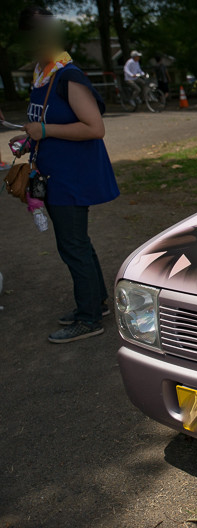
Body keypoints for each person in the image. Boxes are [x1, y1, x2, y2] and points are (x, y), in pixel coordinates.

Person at [11, 6, 119, 343]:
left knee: (72, 245)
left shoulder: (68, 76)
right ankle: (96, 303)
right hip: (55, 174)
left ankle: (88, 319)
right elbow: (48, 122)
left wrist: (44, 130)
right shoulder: (43, 75)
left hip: (71, 178)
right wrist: (31, 139)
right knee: (77, 243)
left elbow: (95, 128)